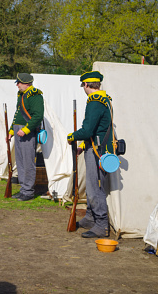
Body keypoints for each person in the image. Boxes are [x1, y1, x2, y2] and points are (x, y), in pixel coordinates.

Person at [67, 71, 114, 238]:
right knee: (91, 185)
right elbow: (96, 129)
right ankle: (90, 217)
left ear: (86, 85)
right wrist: (82, 145)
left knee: (96, 188)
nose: (83, 89)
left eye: (83, 86)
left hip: (97, 150)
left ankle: (101, 225)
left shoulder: (94, 102)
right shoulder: (105, 99)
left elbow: (88, 130)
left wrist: (72, 136)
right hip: (96, 147)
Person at [8, 73, 44, 201]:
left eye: (19, 83)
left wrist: (26, 129)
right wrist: (11, 129)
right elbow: (17, 113)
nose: (17, 85)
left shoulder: (35, 95)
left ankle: (28, 191)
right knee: (20, 161)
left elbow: (38, 116)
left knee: (28, 162)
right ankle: (24, 188)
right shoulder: (22, 95)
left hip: (26, 131)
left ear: (27, 83)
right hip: (19, 130)